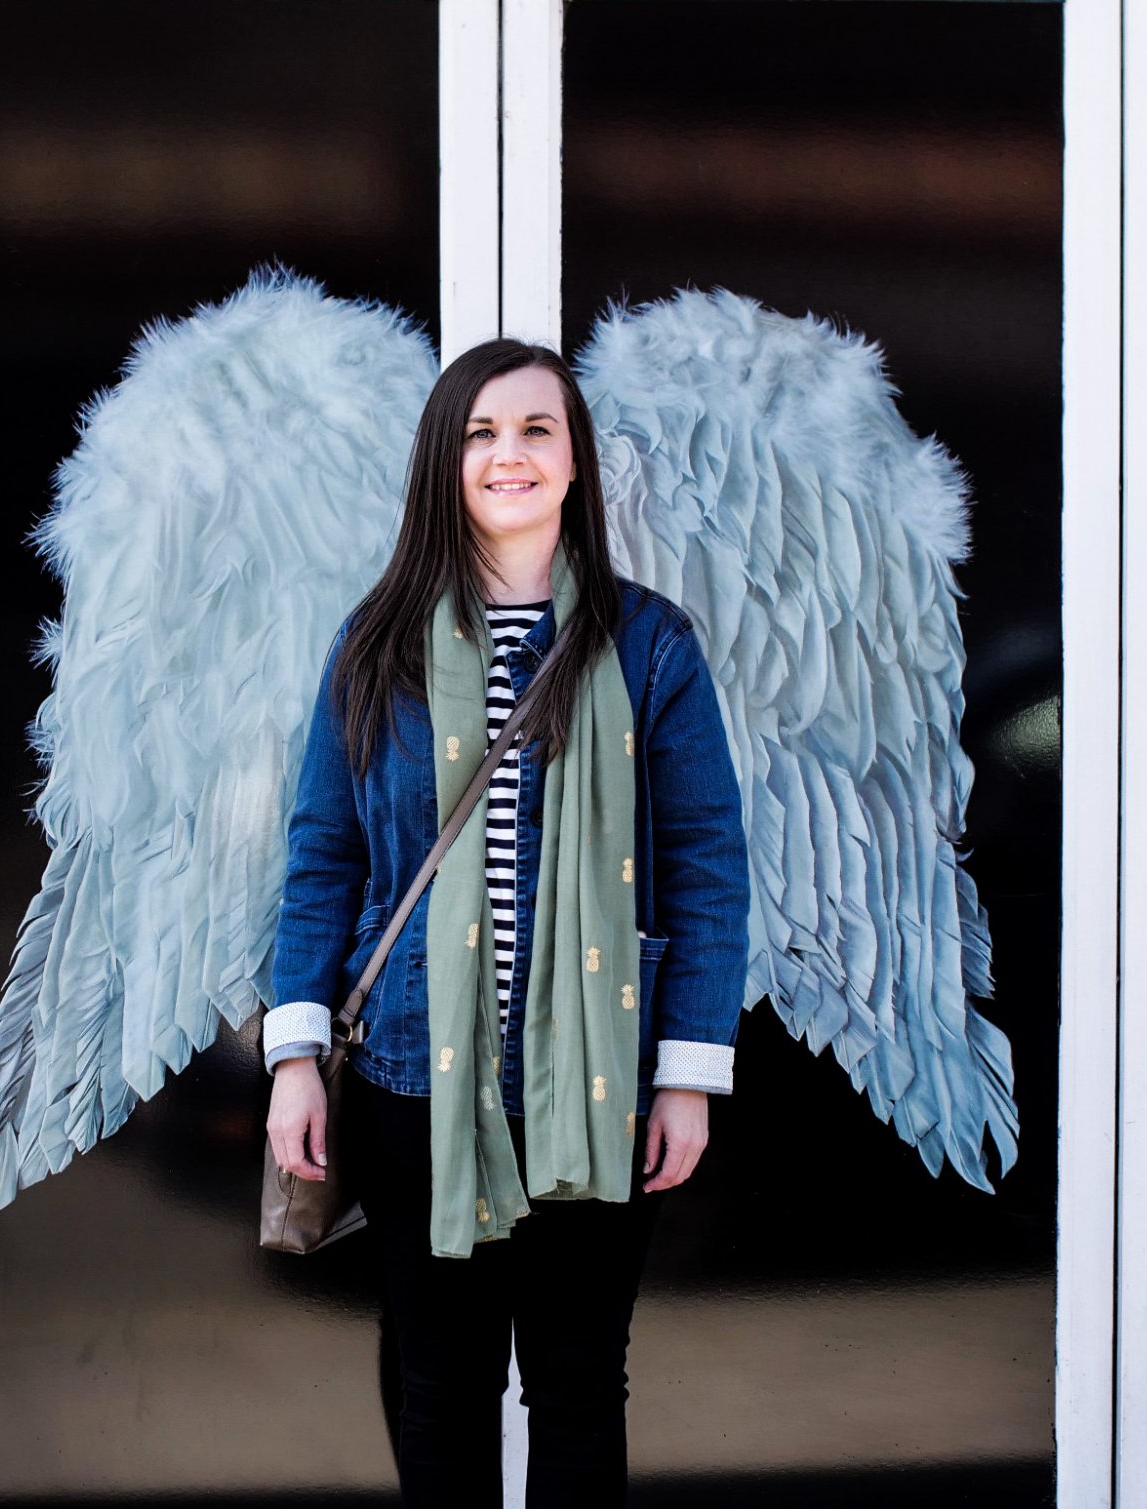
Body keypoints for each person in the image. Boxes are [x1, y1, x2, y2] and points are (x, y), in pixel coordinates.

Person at [261, 338, 749, 1506]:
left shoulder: (650, 646)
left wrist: (686, 1072)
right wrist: (294, 1054)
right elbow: (323, 854)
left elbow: (704, 864)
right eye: (480, 432)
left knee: (580, 1384)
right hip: (411, 1080)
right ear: (445, 462)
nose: (509, 453)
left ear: (575, 463)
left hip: (600, 1082)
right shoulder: (376, 643)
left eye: (536, 428)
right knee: (441, 1382)